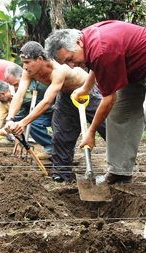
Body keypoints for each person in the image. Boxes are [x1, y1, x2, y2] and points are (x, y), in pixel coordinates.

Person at [44, 20, 146, 184]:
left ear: (78, 43)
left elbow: (108, 99)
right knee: (120, 113)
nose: (71, 66)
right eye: (66, 63)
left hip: (141, 62)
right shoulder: (86, 39)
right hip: (132, 70)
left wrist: (91, 133)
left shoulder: (101, 49)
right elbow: (96, 65)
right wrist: (86, 87)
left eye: (71, 58)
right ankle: (120, 172)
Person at [0, 41, 105, 183]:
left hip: (87, 91)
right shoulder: (28, 72)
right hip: (65, 96)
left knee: (107, 128)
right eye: (23, 62)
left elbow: (47, 101)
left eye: (27, 62)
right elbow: (19, 95)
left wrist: (23, 123)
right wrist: (10, 119)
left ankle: (122, 169)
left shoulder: (58, 69)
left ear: (40, 59)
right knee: (61, 134)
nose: (24, 67)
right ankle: (61, 177)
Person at [0, 65, 53, 159]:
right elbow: (16, 118)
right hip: (42, 113)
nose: (15, 88)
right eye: (13, 85)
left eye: (16, 84)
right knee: (32, 122)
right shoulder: (19, 95)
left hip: (57, 108)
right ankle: (51, 146)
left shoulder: (41, 81)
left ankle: (63, 153)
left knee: (62, 132)